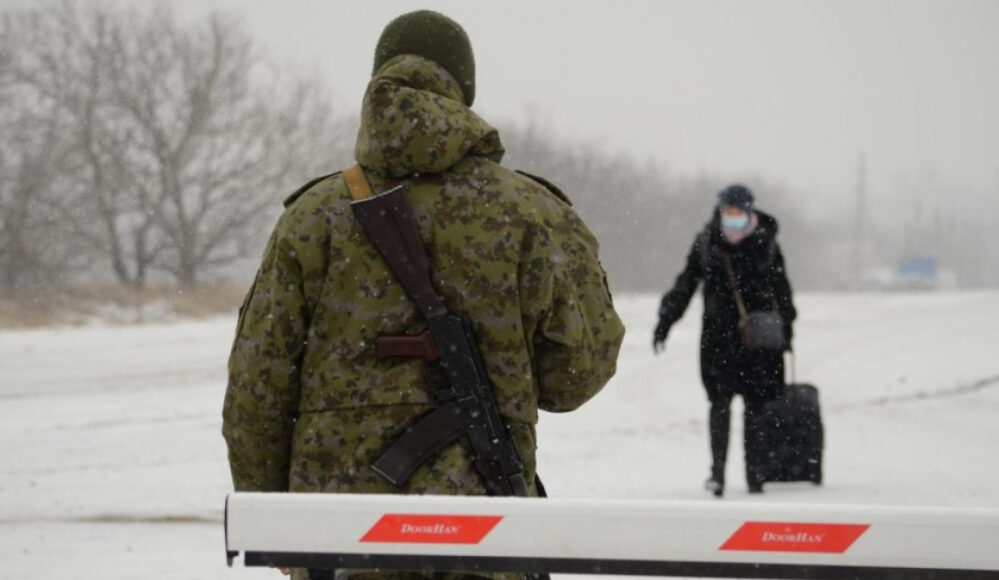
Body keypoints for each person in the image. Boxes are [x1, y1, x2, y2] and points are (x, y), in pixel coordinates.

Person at [222, 10, 625, 580]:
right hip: (486, 540)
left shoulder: (312, 219)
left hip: (339, 545)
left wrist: (283, 532)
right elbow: (576, 376)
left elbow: (256, 393)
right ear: (465, 89)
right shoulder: (532, 212)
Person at [653, 184, 796, 496]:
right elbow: (686, 283)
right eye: (727, 212)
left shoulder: (767, 243)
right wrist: (666, 319)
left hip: (757, 341)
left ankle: (754, 474)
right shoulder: (706, 242)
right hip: (718, 340)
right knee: (719, 406)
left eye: (737, 212)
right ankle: (717, 473)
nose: (732, 219)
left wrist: (787, 328)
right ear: (720, 212)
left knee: (756, 409)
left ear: (749, 212)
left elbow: (782, 290)